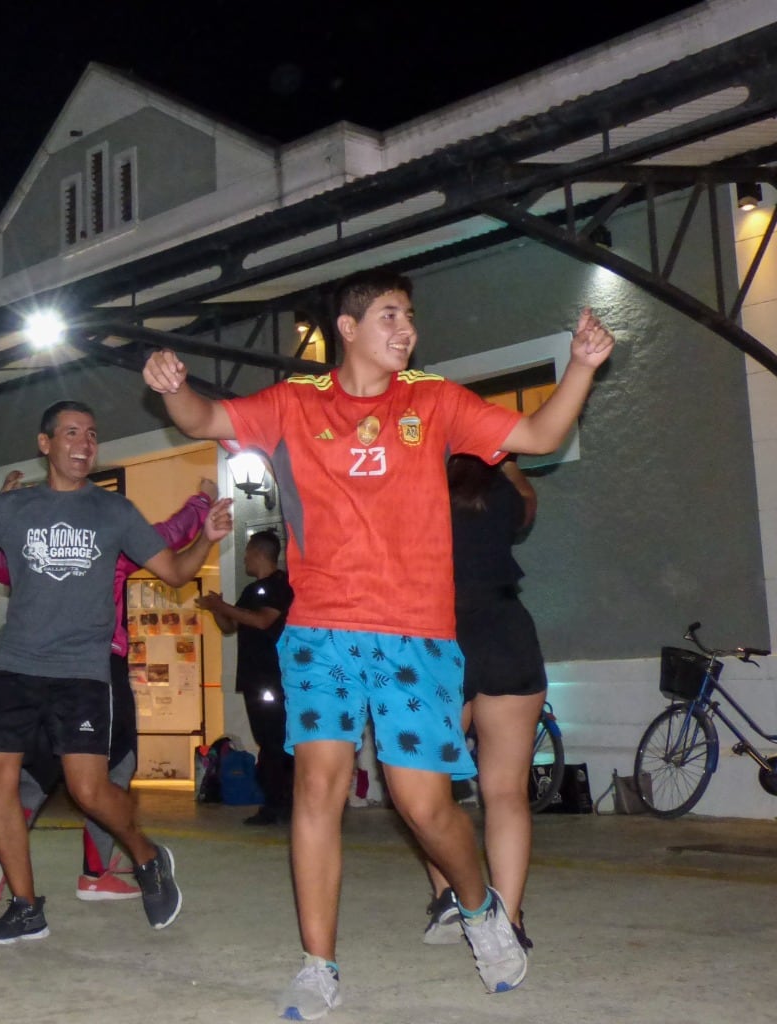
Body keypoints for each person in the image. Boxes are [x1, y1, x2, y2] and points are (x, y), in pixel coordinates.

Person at [144, 267, 613, 1017]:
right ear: (349, 328)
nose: (408, 330)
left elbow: (541, 434)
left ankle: (479, 906)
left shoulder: (433, 401)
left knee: (422, 804)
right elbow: (203, 418)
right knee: (318, 789)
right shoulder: (294, 406)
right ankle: (318, 964)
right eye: (391, 316)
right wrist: (171, 386)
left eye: (411, 317)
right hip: (320, 632)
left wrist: (584, 366)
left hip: (414, 636)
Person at [0, 402, 232, 944]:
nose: (84, 443)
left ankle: (147, 855)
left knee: (89, 790)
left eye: (91, 433)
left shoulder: (115, 512)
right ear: (46, 445)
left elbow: (177, 572)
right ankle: (25, 905)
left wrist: (206, 537)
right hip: (14, 667)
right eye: (70, 433)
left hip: (83, 673)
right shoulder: (15, 508)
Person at [0, 475, 217, 908]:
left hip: (32, 673)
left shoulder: (30, 554)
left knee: (34, 773)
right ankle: (96, 873)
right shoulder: (110, 548)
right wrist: (202, 500)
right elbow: (171, 534)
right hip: (97, 669)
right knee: (112, 770)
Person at [421, 456, 544, 949]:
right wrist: (510, 467)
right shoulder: (504, 491)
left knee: (429, 789)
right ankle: (509, 921)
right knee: (507, 792)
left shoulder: (419, 484)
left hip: (440, 634)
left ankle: (449, 897)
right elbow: (530, 505)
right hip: (507, 630)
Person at [198, 528, 295, 826]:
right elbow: (230, 625)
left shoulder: (279, 586)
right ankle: (274, 802)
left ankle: (282, 804)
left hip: (273, 678)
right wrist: (217, 608)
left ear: (258, 553)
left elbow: (263, 620)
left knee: (276, 741)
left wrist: (224, 607)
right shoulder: (251, 591)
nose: (243, 560)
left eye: (246, 553)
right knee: (267, 739)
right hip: (253, 678)